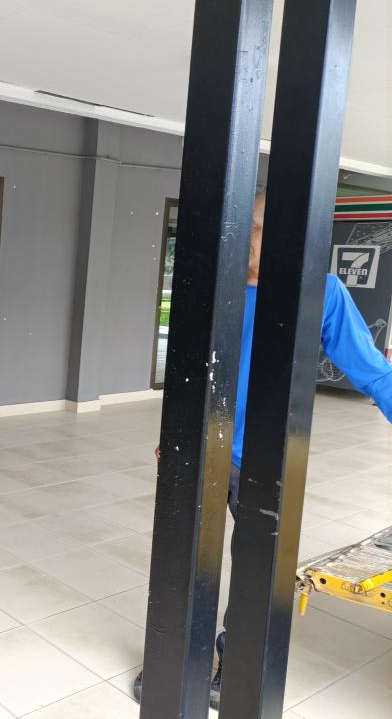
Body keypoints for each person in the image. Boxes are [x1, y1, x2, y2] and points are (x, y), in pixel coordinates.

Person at [133, 191, 392, 709]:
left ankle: (233, 663)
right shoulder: (215, 285)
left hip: (266, 459)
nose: (247, 238)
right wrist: (174, 434)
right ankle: (178, 656)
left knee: (256, 571)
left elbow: (373, 372)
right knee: (186, 561)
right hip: (202, 450)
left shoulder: (320, 292)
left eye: (257, 229)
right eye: (247, 227)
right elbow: (189, 370)